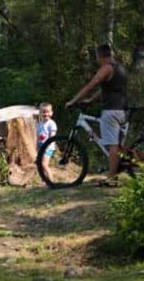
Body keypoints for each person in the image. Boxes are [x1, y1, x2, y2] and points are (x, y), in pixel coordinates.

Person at [66, 43, 128, 186]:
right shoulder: (120, 68)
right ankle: (118, 169)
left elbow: (91, 85)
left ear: (100, 56)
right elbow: (106, 90)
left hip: (111, 111)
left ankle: (112, 180)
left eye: (97, 57)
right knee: (117, 146)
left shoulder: (106, 68)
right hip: (123, 110)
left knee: (112, 145)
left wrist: (73, 101)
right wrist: (91, 100)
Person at [36, 102, 57, 172]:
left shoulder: (51, 124)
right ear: (40, 113)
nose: (45, 114)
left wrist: (47, 146)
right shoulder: (39, 124)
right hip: (41, 146)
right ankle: (45, 181)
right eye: (43, 112)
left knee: (44, 164)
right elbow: (38, 136)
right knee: (41, 165)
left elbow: (52, 137)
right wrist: (36, 145)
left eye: (47, 112)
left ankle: (51, 181)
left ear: (51, 113)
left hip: (48, 147)